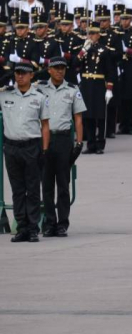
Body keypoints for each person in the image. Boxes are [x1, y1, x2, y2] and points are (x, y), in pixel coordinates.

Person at [36, 57, 86, 237]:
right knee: (47, 183)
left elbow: (78, 119)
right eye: (56, 68)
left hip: (64, 139)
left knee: (63, 184)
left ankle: (63, 223)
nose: (59, 71)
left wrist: (79, 143)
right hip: (46, 139)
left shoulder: (72, 90)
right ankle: (50, 223)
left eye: (62, 68)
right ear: (49, 70)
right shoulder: (39, 88)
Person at [0, 62, 50, 242]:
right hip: (12, 147)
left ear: (31, 76)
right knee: (18, 189)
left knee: (33, 189)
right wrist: (4, 77)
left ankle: (33, 228)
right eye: (17, 73)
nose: (19, 76)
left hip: (32, 146)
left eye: (24, 73)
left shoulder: (39, 97)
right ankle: (22, 227)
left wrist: (44, 149)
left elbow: (45, 125)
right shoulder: (5, 94)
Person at [78, 21, 116, 155]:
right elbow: (75, 64)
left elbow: (111, 71)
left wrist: (109, 89)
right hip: (86, 84)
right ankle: (91, 143)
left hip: (99, 84)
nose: (91, 36)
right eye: (89, 33)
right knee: (88, 116)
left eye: (94, 33)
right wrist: (83, 50)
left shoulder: (104, 50)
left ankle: (100, 144)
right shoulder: (83, 49)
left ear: (98, 35)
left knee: (100, 116)